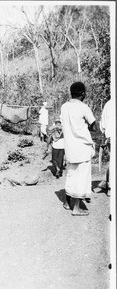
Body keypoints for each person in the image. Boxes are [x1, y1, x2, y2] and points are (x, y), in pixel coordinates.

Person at [61, 82, 97, 216]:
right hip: (82, 147)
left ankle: (67, 202)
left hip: (69, 146)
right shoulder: (83, 107)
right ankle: (76, 208)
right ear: (83, 93)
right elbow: (94, 126)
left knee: (71, 174)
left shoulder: (64, 107)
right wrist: (82, 128)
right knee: (81, 177)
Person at [99, 99, 113, 196]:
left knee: (112, 161)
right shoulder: (109, 104)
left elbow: (102, 124)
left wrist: (105, 134)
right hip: (111, 136)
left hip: (110, 136)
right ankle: (110, 186)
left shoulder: (108, 104)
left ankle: (108, 184)